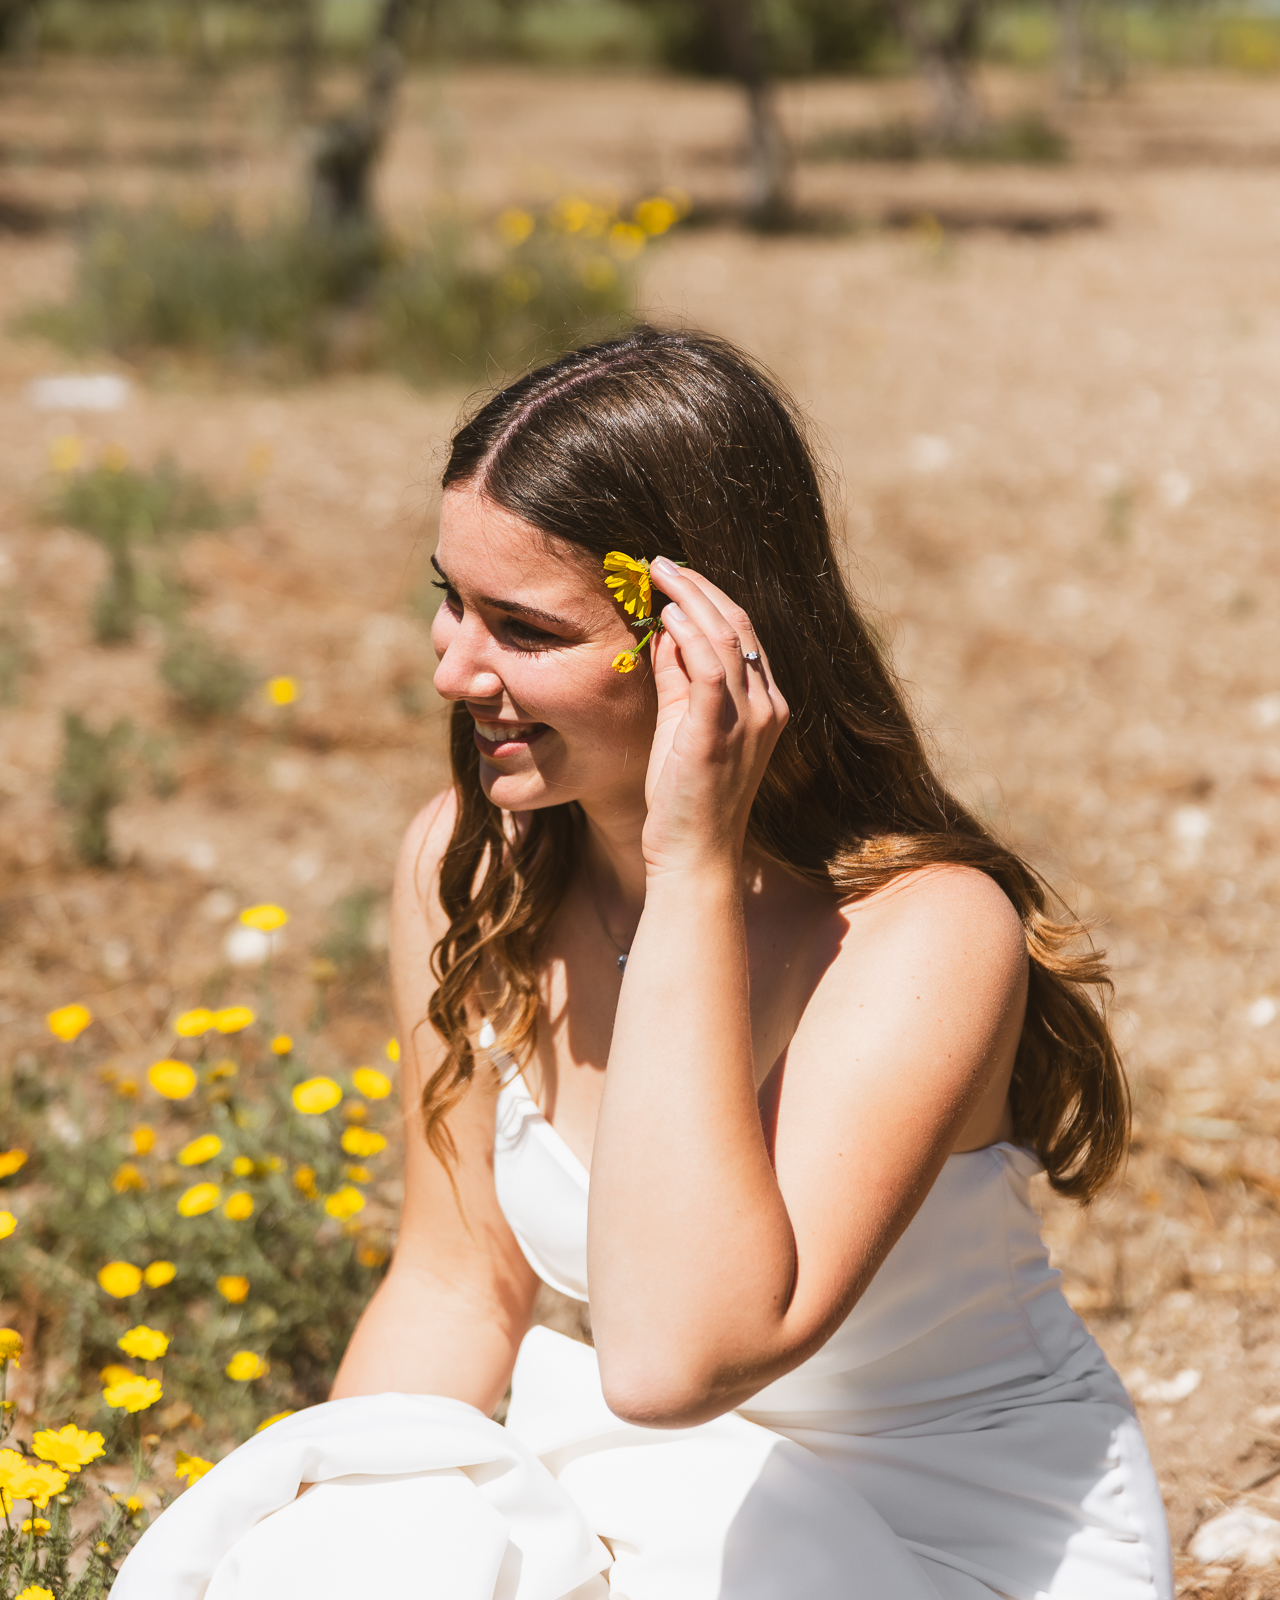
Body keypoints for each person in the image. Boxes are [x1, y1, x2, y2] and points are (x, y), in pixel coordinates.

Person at [117, 325, 1172, 1599]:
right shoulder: (472, 870)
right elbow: (456, 1286)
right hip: (658, 1499)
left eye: (523, 627)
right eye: (448, 599)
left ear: (705, 641)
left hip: (947, 1540)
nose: (452, 668)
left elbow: (676, 1362)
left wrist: (687, 865)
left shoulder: (924, 934)